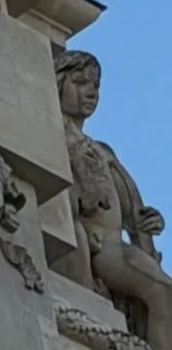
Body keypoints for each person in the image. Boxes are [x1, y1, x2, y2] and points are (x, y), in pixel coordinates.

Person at [54, 50, 171, 349]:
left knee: (166, 293)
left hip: (117, 244)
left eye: (95, 84)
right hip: (96, 245)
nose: (91, 92)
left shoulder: (102, 149)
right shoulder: (54, 135)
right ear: (58, 85)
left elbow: (128, 207)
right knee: (160, 292)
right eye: (80, 82)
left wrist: (145, 219)